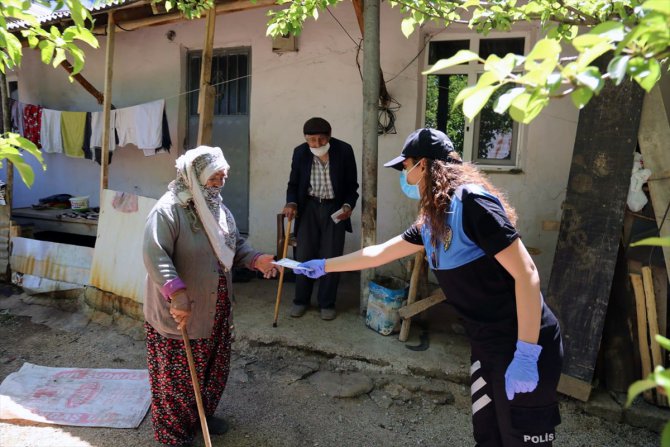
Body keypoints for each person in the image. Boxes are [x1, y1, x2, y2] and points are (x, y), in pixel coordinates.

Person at [295, 128, 563, 446]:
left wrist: (527, 354)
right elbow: (379, 253)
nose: (404, 175)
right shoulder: (433, 217)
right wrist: (324, 265)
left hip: (524, 343)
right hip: (486, 344)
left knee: (520, 440)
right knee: (488, 437)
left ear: (424, 165)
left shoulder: (471, 202)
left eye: (405, 166)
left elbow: (528, 274)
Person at [143, 146, 277, 447]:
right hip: (181, 310)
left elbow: (233, 245)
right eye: (215, 176)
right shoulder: (168, 210)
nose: (221, 181)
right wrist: (176, 293)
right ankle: (174, 436)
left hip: (215, 308)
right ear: (196, 176)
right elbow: (154, 254)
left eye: (223, 175)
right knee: (177, 380)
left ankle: (200, 415)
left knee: (212, 369)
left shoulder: (216, 206)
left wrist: (256, 260)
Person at [282, 117, 359, 320]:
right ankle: (301, 300)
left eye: (321, 140)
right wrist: (291, 203)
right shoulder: (300, 152)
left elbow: (352, 186)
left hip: (334, 207)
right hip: (309, 207)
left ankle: (327, 303)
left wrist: (348, 205)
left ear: (329, 136)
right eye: (311, 140)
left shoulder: (344, 151)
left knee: (331, 257)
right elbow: (293, 184)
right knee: (304, 255)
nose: (316, 145)